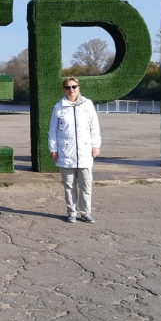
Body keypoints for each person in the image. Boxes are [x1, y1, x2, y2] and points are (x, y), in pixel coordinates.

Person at [48, 77, 101, 223]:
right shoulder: (59, 107)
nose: (71, 90)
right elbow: (52, 130)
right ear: (64, 89)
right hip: (66, 152)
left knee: (86, 185)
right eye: (68, 87)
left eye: (74, 87)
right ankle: (72, 212)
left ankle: (85, 213)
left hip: (85, 152)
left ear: (78, 87)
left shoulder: (87, 104)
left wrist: (96, 145)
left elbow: (94, 127)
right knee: (69, 186)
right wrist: (53, 148)